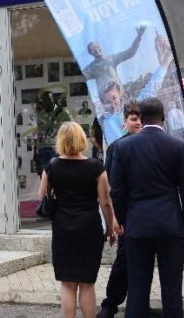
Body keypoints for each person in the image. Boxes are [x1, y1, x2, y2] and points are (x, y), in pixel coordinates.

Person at [110, 97, 184, 318]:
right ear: (164, 119)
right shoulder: (178, 147)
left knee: (138, 287)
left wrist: (120, 221)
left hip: (137, 226)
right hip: (171, 226)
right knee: (171, 288)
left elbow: (117, 191)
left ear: (141, 117)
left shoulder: (123, 147)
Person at [38, 121, 115, 318]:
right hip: (89, 227)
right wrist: (109, 228)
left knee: (67, 282)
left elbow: (41, 196)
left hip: (63, 228)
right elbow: (105, 201)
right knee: (87, 282)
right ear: (82, 139)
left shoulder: (52, 166)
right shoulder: (96, 167)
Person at [97, 101, 142, 318]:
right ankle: (110, 305)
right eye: (134, 119)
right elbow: (109, 188)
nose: (138, 123)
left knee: (142, 263)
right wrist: (113, 218)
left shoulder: (150, 144)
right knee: (123, 261)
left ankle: (137, 305)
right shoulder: (116, 147)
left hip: (147, 214)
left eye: (141, 118)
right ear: (125, 120)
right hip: (125, 215)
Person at [99, 32, 173, 144]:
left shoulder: (131, 110)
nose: (113, 105)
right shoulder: (105, 122)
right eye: (108, 102)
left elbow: (150, 89)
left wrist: (166, 63)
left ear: (119, 94)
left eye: (114, 98)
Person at [82, 26, 146, 103]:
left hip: (121, 98)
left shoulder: (112, 58)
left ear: (100, 47)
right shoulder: (92, 67)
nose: (96, 49)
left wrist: (138, 37)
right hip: (108, 103)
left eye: (97, 46)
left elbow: (130, 52)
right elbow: (81, 77)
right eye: (93, 49)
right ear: (90, 53)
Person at [34, 90, 72, 176]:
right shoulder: (41, 115)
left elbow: (72, 129)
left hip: (57, 148)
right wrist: (37, 150)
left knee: (57, 174)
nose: (48, 102)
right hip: (43, 149)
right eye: (45, 100)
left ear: (53, 100)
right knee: (44, 175)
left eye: (49, 99)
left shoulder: (63, 113)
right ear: (42, 102)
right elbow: (40, 133)